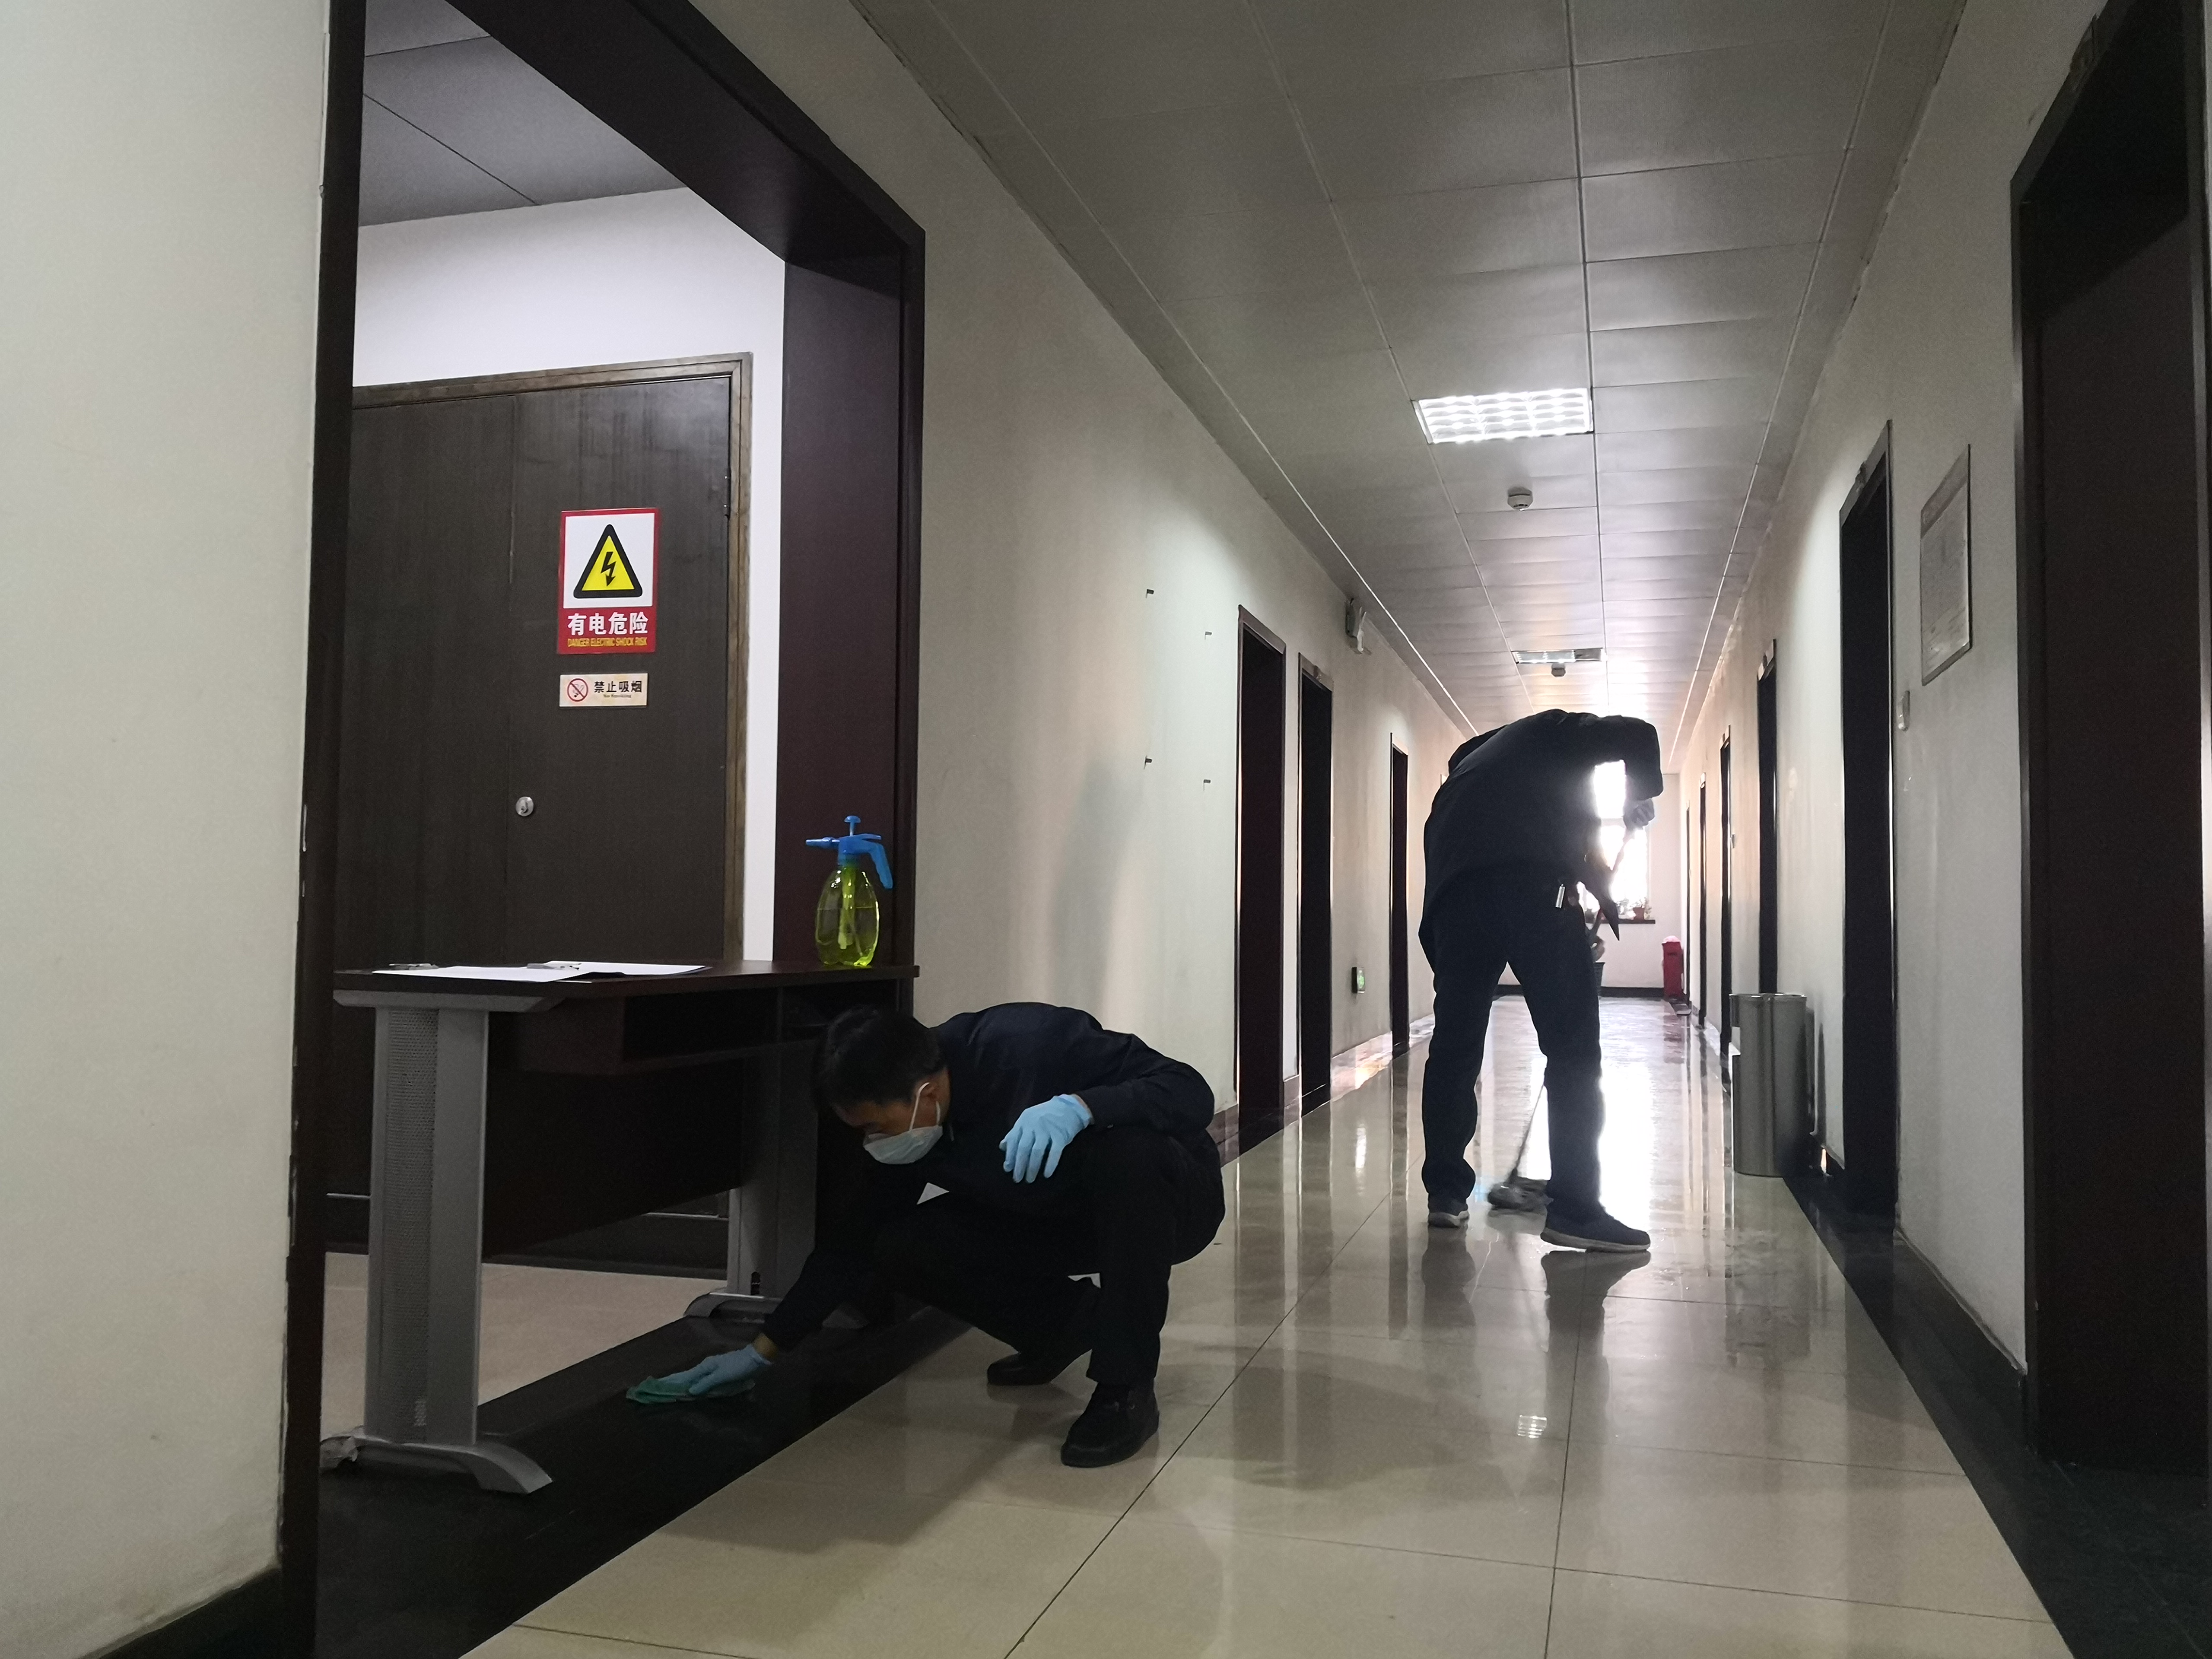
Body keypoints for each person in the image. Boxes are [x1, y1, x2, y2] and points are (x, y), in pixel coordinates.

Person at [642, 1002, 1225, 1467]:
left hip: (1168, 1203)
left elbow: (1189, 1090)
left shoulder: (1027, 1043)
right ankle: (1062, 1329)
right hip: (1053, 1215)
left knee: (1131, 1154)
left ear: (925, 1094)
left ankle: (1125, 1389)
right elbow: (852, 1242)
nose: (872, 1141)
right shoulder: (911, 1132)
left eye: (875, 1126)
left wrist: (1082, 1107)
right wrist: (761, 1351)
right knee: (899, 1244)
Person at [1420, 709, 1662, 1252]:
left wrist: (1582, 910)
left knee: (1454, 1048)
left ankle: (1445, 1194)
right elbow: (1638, 733)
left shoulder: (1469, 773)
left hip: (1455, 904)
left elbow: (1554, 845)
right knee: (1573, 1049)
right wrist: (1638, 795)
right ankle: (1575, 1210)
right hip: (1530, 892)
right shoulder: (1554, 729)